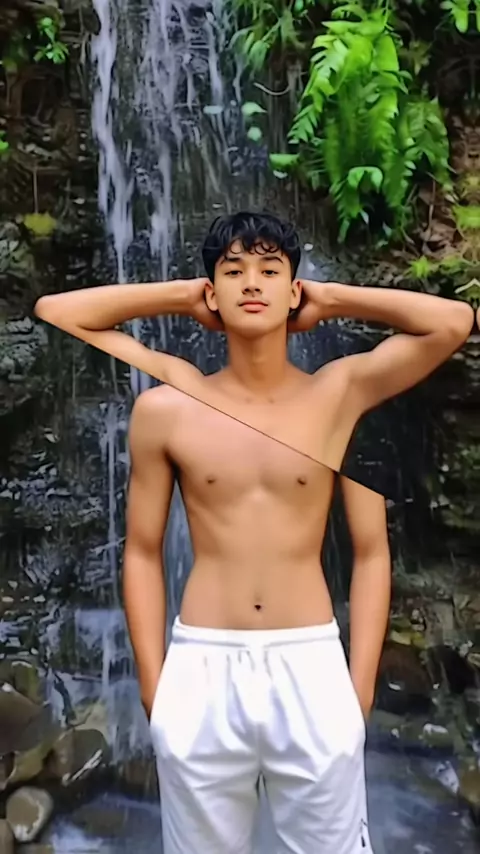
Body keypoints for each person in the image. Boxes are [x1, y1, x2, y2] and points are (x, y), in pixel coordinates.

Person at [34, 212, 474, 854]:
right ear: (212, 292)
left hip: (311, 662)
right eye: (233, 271)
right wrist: (159, 696)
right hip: (202, 665)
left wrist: (356, 697)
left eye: (271, 271)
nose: (251, 283)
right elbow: (143, 551)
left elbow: (453, 322)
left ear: (294, 290)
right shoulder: (168, 408)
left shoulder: (342, 394)